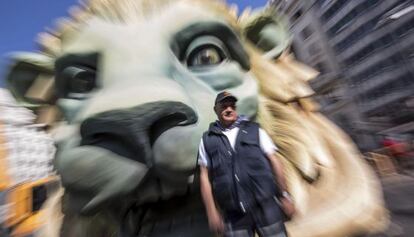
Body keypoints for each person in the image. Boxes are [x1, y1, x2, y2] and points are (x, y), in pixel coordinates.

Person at [198, 91, 294, 237]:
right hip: (233, 215)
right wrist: (212, 212)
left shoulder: (255, 130)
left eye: (232, 106)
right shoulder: (207, 139)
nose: (228, 109)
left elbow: (275, 162)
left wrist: (285, 195)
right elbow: (204, 177)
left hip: (266, 208)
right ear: (215, 110)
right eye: (224, 106)